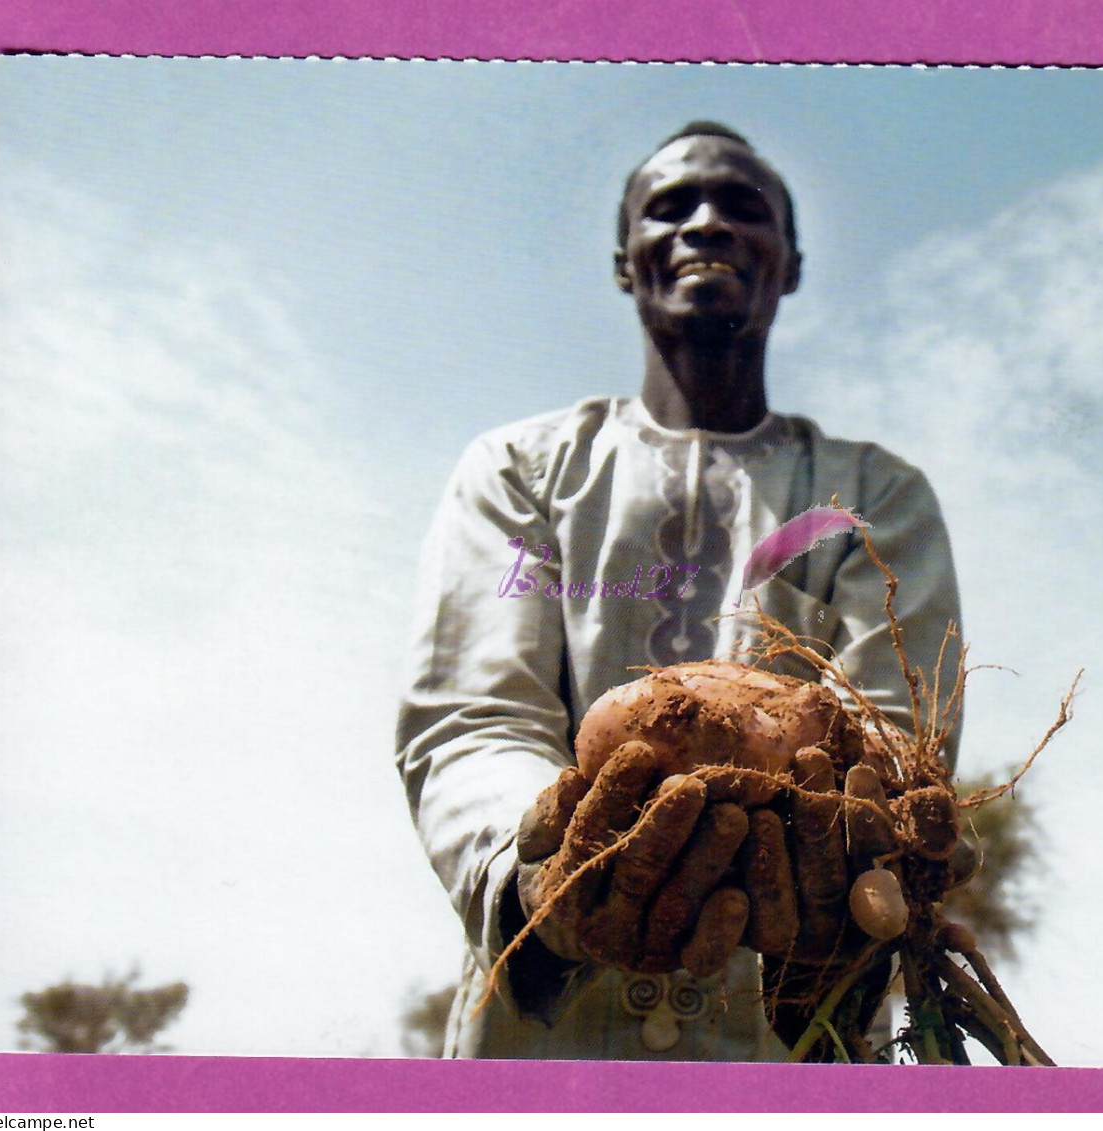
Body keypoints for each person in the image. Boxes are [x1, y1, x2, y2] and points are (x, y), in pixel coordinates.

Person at [396, 122, 963, 1060]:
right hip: (547, 1047)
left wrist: (873, 823)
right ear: (627, 262)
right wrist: (541, 885)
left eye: (744, 209)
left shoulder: (871, 496)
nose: (707, 225)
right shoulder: (522, 469)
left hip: (786, 1036)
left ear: (789, 264)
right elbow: (474, 715)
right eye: (671, 208)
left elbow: (895, 725)